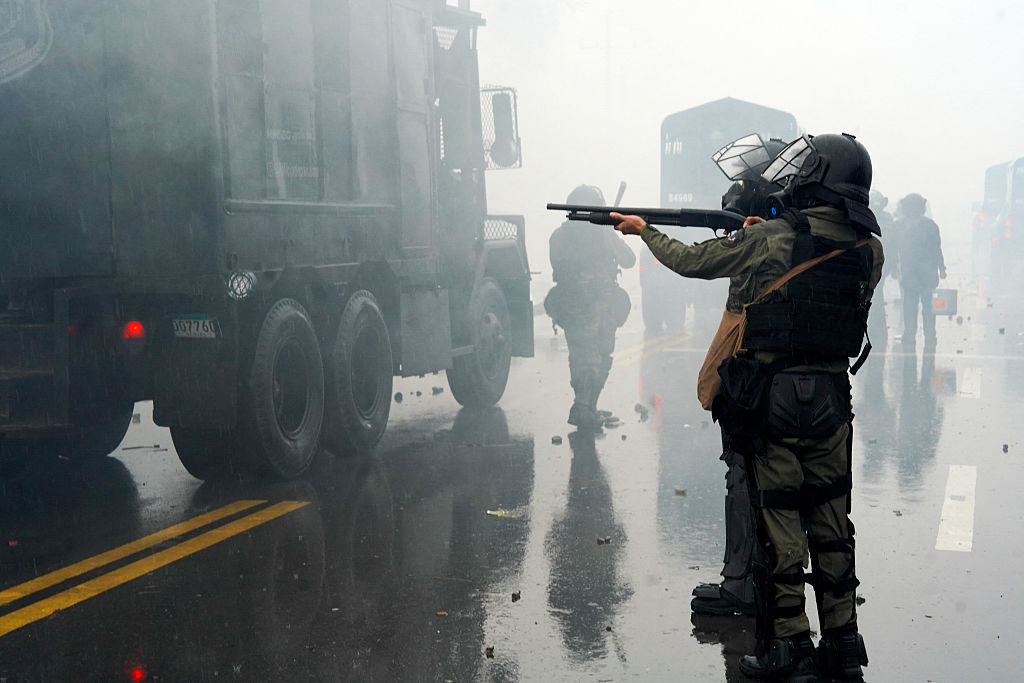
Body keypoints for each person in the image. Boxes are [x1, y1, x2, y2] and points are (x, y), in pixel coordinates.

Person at [612, 133, 881, 681]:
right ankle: (844, 644)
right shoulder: (869, 250)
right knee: (832, 520)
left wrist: (645, 232)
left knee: (779, 518)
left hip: (777, 396)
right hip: (833, 397)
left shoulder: (775, 238)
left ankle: (788, 646)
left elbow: (692, 261)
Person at [691, 134, 789, 618]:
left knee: (745, 477)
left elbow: (702, 262)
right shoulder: (804, 225)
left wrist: (645, 231)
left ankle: (745, 586)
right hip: (798, 379)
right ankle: (774, 590)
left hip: (756, 373)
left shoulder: (770, 226)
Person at [545, 185, 635, 430]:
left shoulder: (559, 235)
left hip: (572, 305)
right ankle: (583, 408)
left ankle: (587, 406)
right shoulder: (601, 235)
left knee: (583, 358)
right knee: (598, 357)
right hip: (597, 304)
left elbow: (558, 264)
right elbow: (629, 260)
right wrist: (607, 235)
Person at [894, 193, 946, 352]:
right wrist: (941, 268)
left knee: (910, 306)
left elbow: (893, 249)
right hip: (927, 274)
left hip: (910, 274)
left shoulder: (899, 225)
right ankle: (930, 336)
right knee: (928, 308)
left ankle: (909, 335)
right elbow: (937, 249)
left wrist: (894, 267)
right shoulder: (930, 225)